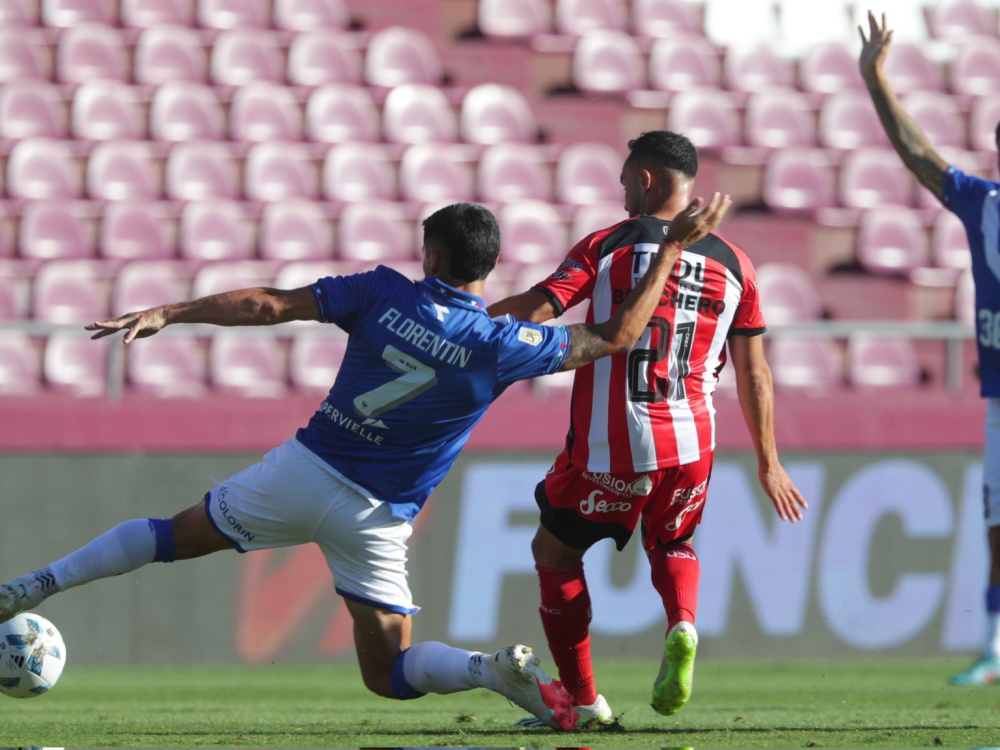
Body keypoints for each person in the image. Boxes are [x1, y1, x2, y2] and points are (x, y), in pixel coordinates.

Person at [0, 199, 732, 729]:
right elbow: (615, 336)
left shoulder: (382, 292)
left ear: (433, 257)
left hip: (301, 473)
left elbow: (268, 305)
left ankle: (35, 584)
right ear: (489, 265)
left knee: (169, 536)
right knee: (387, 677)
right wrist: (671, 248)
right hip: (377, 519)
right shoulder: (503, 343)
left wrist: (173, 312)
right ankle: (488, 671)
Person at [488, 132, 807, 726]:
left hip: (617, 440)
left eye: (626, 177)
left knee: (554, 552)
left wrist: (469, 326)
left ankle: (583, 703)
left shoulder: (609, 245)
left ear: (650, 180)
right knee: (675, 542)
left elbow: (540, 306)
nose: (621, 187)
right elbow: (755, 375)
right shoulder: (738, 264)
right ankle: (683, 624)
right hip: (694, 441)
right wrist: (769, 461)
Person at [860, 11, 1000, 686]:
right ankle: (995, 650)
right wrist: (875, 79)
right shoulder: (984, 204)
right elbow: (919, 156)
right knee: (998, 529)